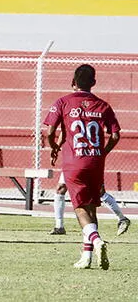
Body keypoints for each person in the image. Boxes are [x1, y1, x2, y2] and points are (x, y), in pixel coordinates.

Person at [44, 64, 120, 270]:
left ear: (72, 82)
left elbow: (50, 132)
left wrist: (53, 147)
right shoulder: (104, 106)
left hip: (74, 161)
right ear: (93, 82)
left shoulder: (63, 102)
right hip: (96, 162)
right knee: (91, 207)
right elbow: (115, 136)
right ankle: (86, 256)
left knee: (79, 209)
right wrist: (103, 152)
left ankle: (96, 240)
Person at [50, 173, 131, 237]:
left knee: (100, 192)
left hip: (90, 159)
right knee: (61, 188)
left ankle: (122, 219)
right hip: (73, 160)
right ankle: (59, 226)